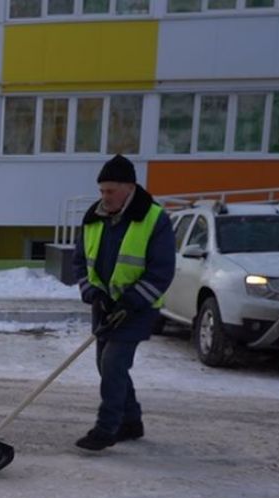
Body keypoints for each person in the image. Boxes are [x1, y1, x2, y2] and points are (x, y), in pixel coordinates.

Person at [71, 154, 176, 451]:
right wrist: (94, 294)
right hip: (104, 306)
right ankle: (131, 421)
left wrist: (129, 303)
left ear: (129, 188)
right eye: (102, 191)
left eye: (111, 191)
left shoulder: (154, 219)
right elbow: (80, 262)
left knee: (114, 364)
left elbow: (162, 271)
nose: (105, 197)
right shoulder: (94, 217)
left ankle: (107, 429)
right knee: (105, 367)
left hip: (137, 307)